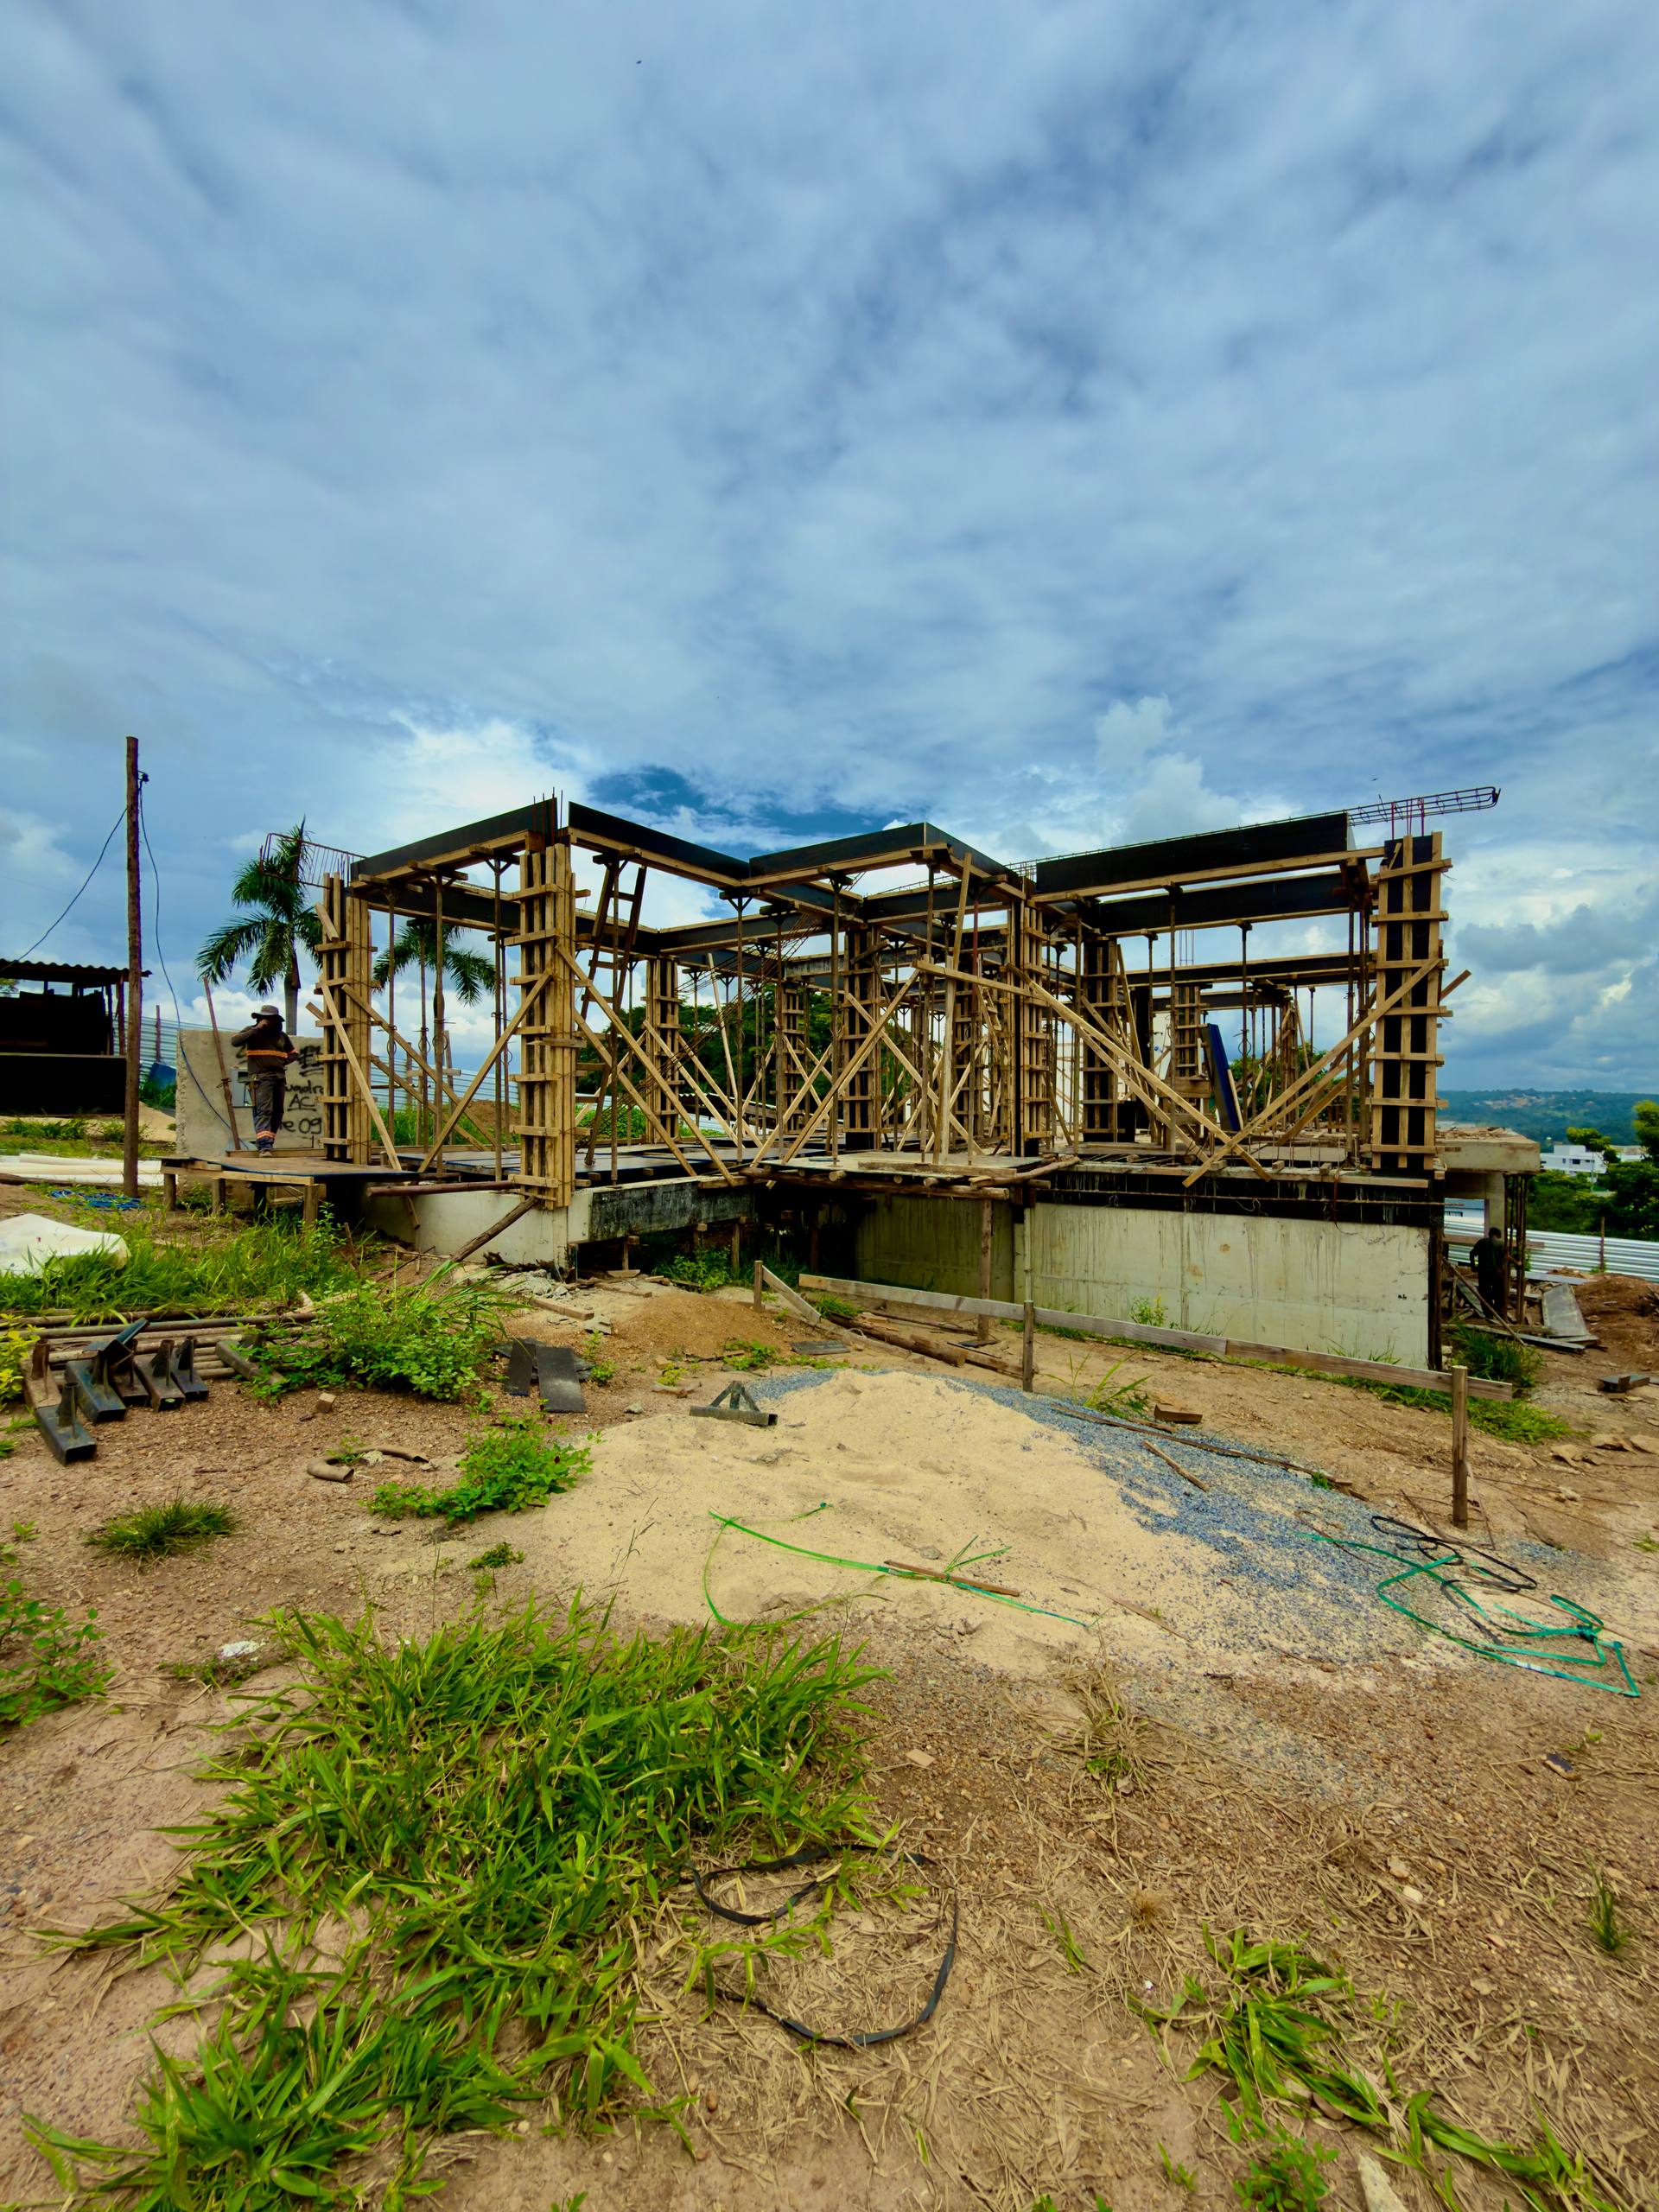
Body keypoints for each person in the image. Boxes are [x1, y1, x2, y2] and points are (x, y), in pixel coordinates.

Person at [231, 1005, 298, 1154]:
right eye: (264, 1018)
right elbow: (235, 1041)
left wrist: (281, 1062)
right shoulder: (252, 1031)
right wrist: (256, 1029)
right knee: (264, 1111)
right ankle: (264, 1146)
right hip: (261, 1078)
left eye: (270, 1019)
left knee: (277, 1112)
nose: (267, 1021)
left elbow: (294, 1054)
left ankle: (269, 1143)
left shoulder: (281, 1036)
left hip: (279, 1078)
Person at [1467, 1226, 1506, 1315]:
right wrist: (1503, 1270)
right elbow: (1505, 1259)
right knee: (1499, 1292)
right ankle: (1498, 1311)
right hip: (1497, 1273)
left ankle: (1488, 1312)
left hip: (1483, 1272)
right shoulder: (1501, 1244)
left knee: (1485, 1293)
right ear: (1498, 1235)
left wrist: (1473, 1266)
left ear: (1490, 1234)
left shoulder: (1481, 1242)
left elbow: (1472, 1254)